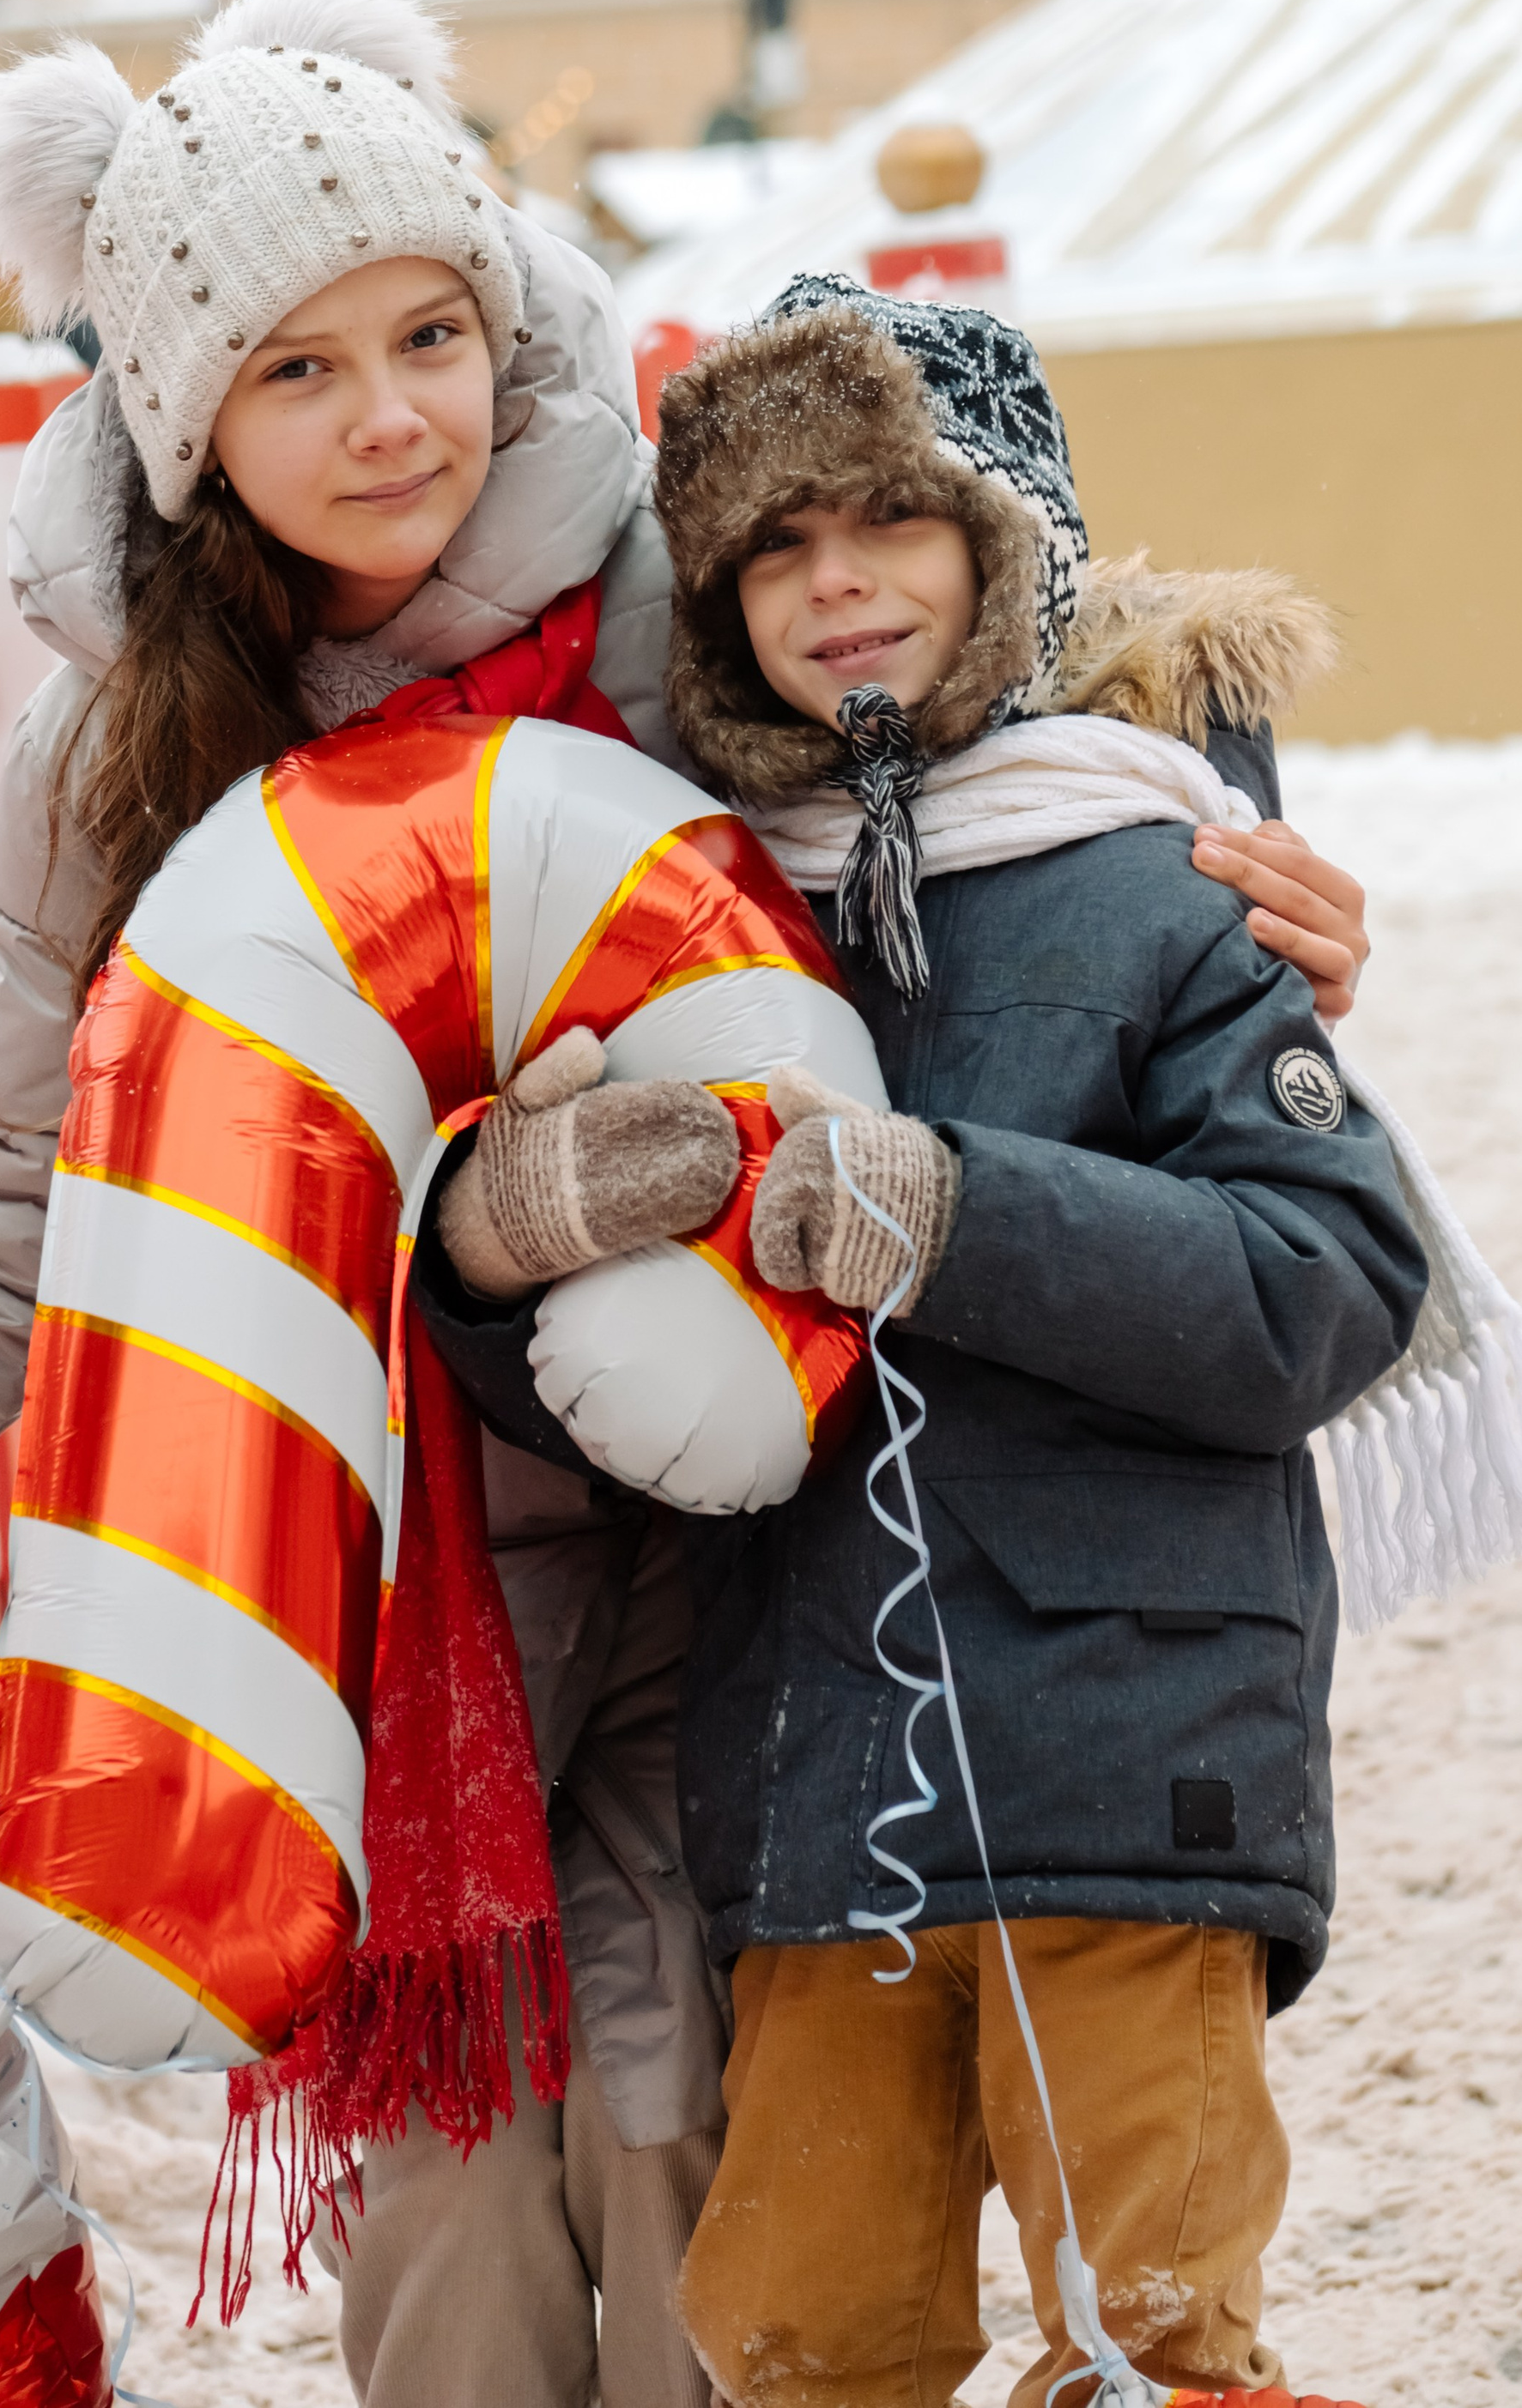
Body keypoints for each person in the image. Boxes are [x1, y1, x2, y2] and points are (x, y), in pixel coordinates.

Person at [0, 0, 1376, 2408]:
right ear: (184, 422)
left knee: (696, 2140)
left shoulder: (651, 618)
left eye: (430, 331)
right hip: (367, 1609)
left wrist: (1242, 850)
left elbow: (980, 712)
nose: (392, 414)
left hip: (721, 1535)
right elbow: (3, 1223)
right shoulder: (124, 765)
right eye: (296, 370)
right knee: (463, 2230)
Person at [472, 275, 1419, 2408]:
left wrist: (958, 1213)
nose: (834, 589)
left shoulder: (1169, 880)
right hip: (817, 1794)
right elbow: (609, 1372)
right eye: (772, 550)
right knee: (801, 2331)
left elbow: (1317, 1283)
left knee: (1145, 2328)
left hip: (1124, 1756)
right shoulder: (687, 912)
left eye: (885, 526)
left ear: (1002, 546)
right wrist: (502, 1238)